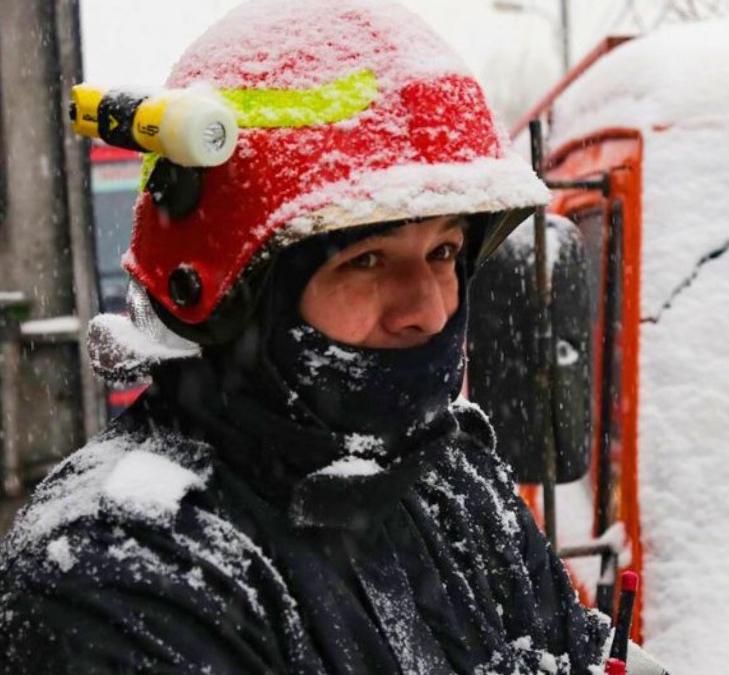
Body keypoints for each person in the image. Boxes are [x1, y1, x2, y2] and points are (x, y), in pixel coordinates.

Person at [0, 1, 667, 673]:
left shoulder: (455, 482)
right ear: (236, 297)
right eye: (367, 260)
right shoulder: (116, 570)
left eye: (443, 252)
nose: (428, 311)